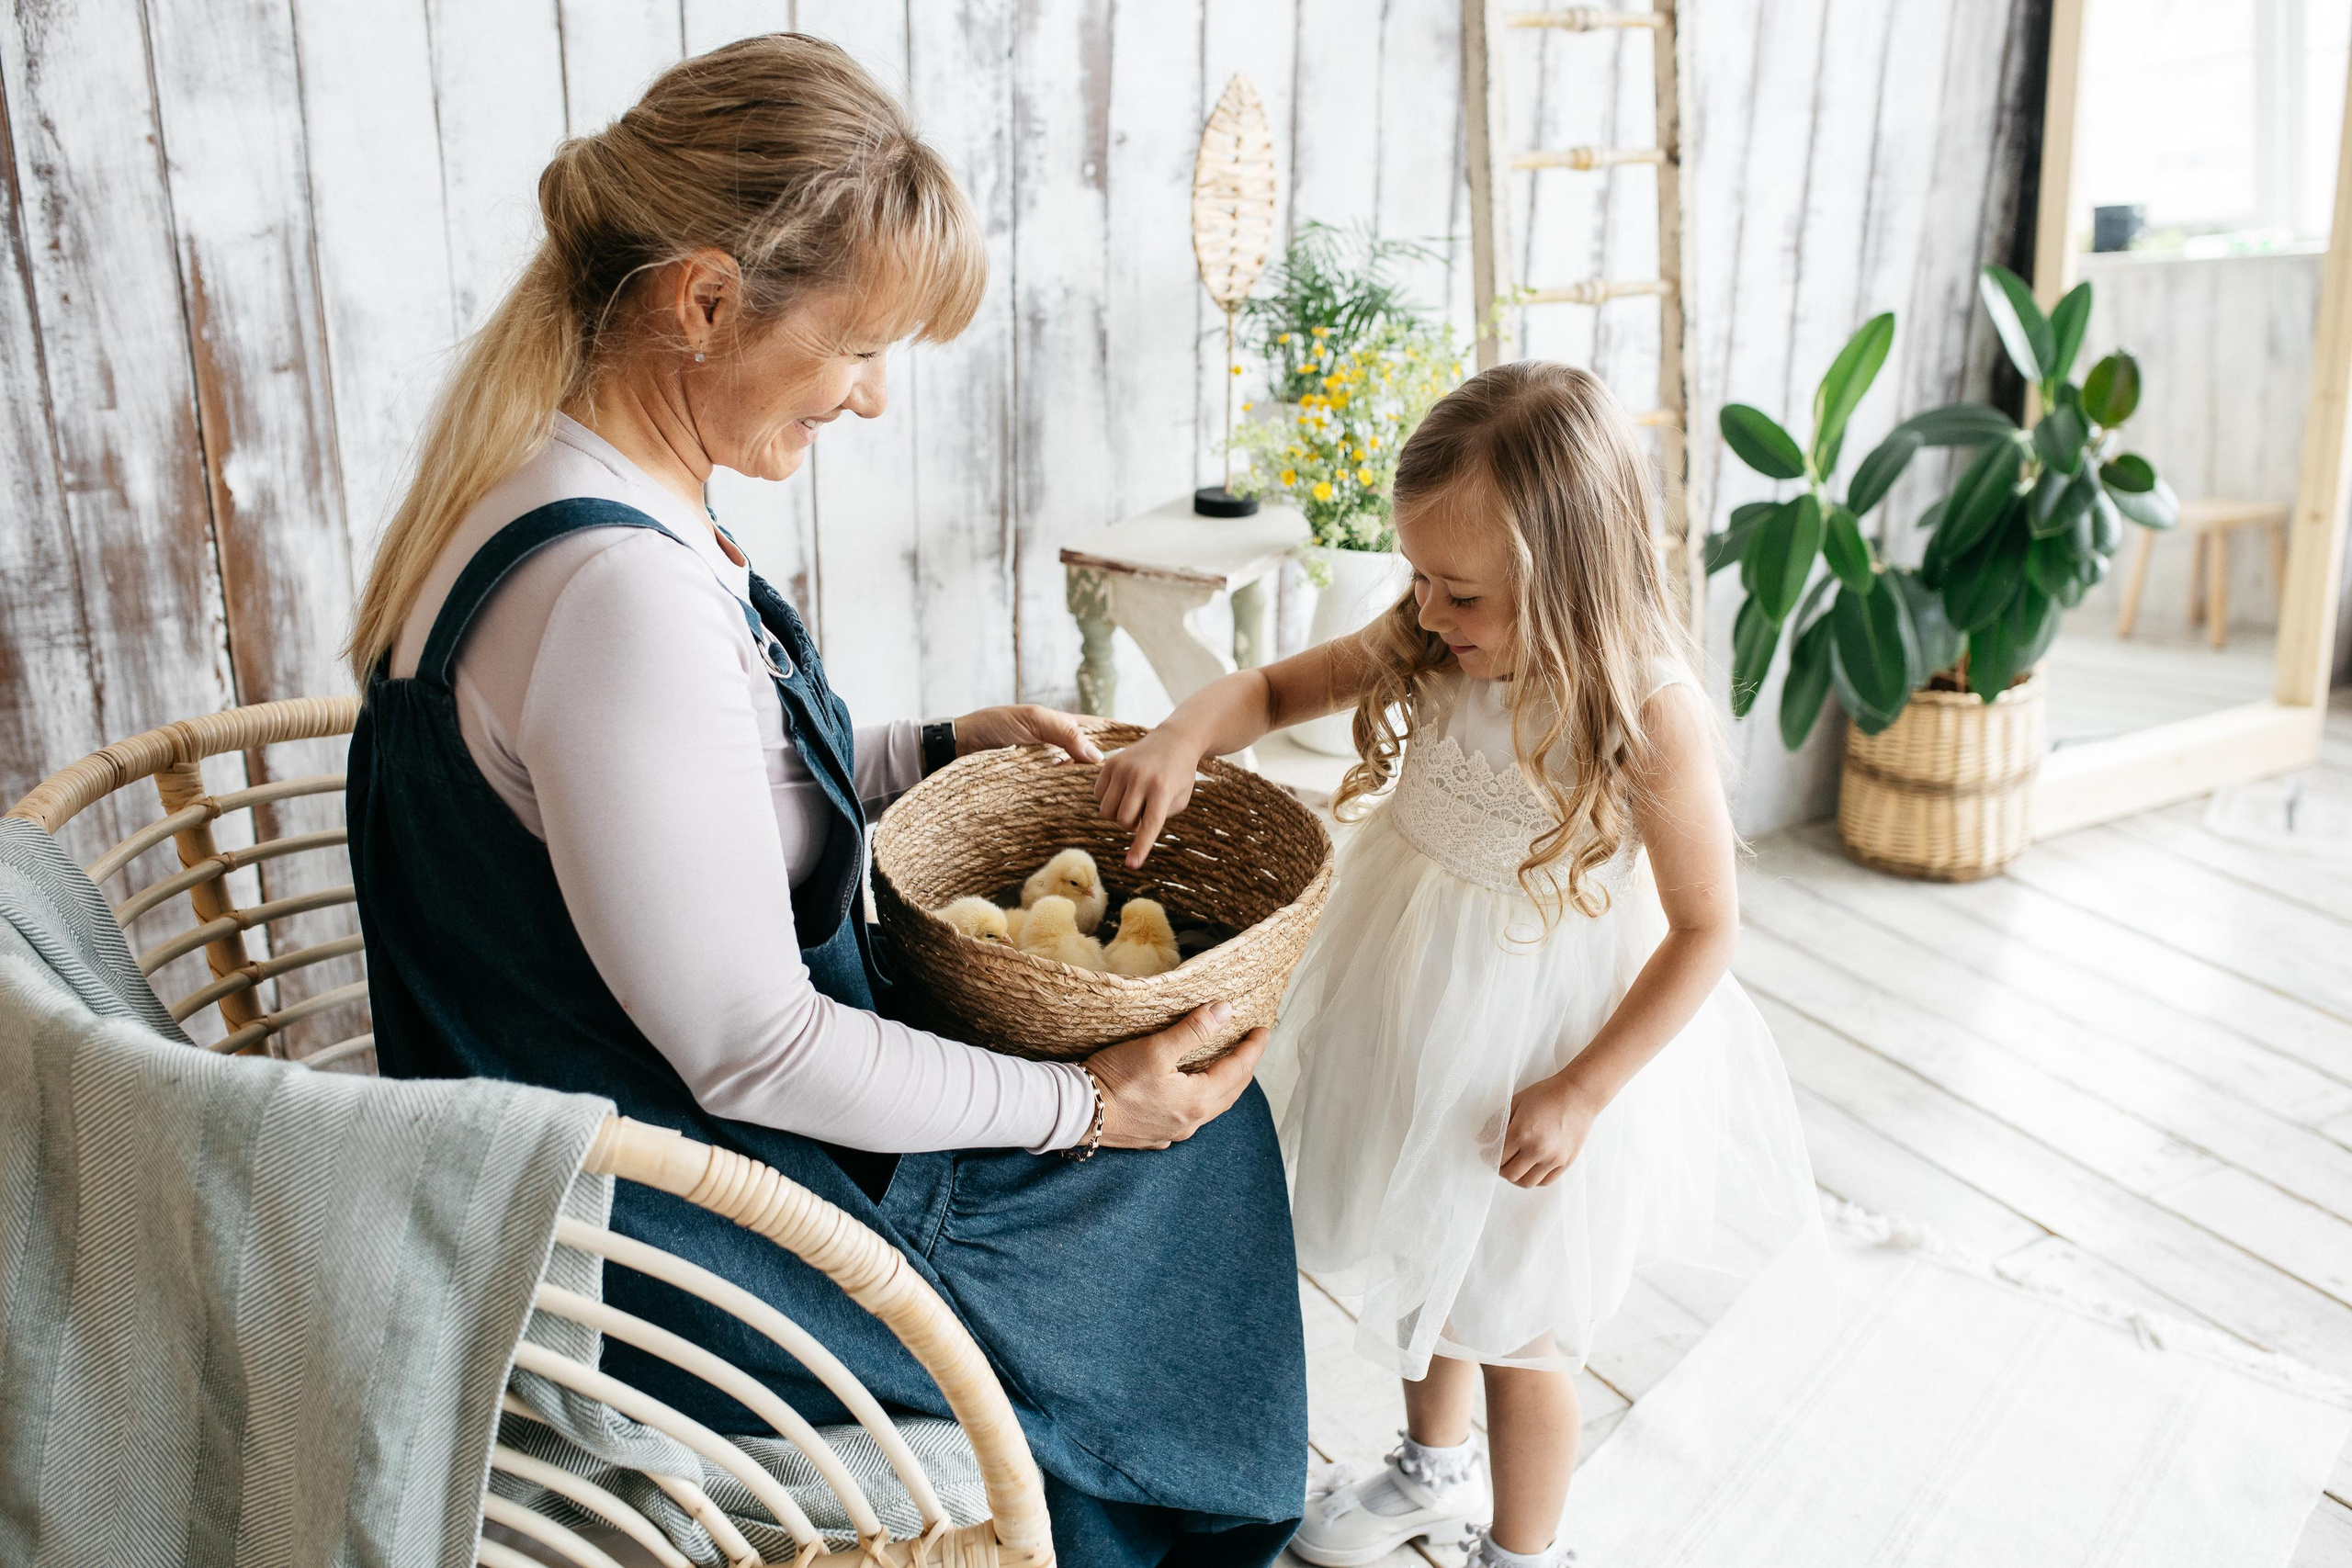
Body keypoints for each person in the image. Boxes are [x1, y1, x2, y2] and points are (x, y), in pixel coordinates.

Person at [342, 35, 1305, 1567]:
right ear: (706, 300)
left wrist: (929, 747)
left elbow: (670, 806)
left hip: (604, 1160)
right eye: (858, 351)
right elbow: (751, 1047)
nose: (865, 402)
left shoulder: (544, 487)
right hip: (665, 1257)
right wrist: (1086, 1109)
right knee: (1187, 1159)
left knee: (1158, 1135)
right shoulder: (617, 594)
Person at [1096, 363, 1823, 1567]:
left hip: (1547, 1039)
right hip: (1410, 982)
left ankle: (1524, 1549)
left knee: (1523, 1316)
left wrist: (1584, 1090)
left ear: (1569, 582)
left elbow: (1708, 931)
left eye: (1463, 594)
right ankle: (1430, 1469)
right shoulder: (1427, 637)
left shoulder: (1647, 710)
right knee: (1421, 1238)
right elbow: (1276, 688)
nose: (1429, 612)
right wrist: (1182, 732)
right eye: (1418, 579)